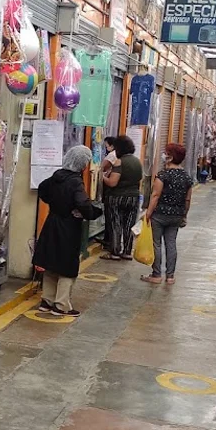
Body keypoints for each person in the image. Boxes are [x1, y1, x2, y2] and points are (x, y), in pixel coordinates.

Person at [33, 145, 102, 316]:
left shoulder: (56, 176)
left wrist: (54, 204)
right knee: (67, 265)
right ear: (82, 164)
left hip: (52, 222)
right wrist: (93, 213)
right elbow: (82, 203)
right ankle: (61, 305)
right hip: (68, 227)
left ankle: (47, 301)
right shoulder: (75, 181)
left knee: (50, 263)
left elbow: (42, 190)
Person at [141, 143, 194, 285]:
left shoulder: (163, 175)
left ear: (170, 157)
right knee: (171, 244)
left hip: (159, 215)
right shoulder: (187, 178)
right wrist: (184, 215)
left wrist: (148, 213)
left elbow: (155, 195)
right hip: (176, 215)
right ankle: (170, 276)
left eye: (166, 153)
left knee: (156, 244)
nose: (163, 155)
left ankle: (156, 275)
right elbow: (188, 199)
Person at [102, 135, 143, 261]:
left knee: (116, 223)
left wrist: (102, 177)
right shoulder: (137, 161)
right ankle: (127, 251)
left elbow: (113, 182)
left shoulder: (119, 161)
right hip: (133, 197)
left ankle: (114, 252)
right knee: (129, 224)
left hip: (117, 197)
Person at [100, 136, 116, 250]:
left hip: (110, 187)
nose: (106, 147)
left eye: (106, 145)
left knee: (109, 215)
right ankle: (110, 240)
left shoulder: (112, 155)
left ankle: (108, 241)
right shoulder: (119, 155)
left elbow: (102, 167)